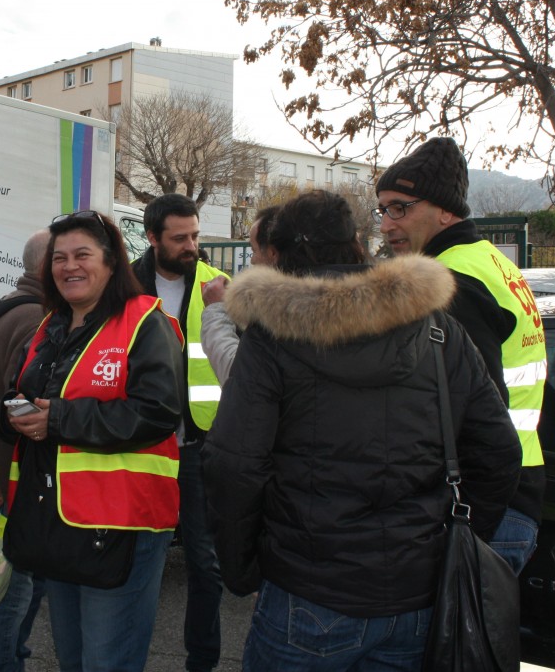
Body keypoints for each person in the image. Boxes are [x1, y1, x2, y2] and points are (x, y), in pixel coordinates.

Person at [202, 190, 522, 671]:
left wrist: (241, 566)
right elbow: (498, 450)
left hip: (306, 589)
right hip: (419, 593)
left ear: (279, 254)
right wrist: (456, 541)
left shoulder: (271, 338)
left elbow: (234, 465)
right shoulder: (437, 329)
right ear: (355, 243)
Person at [1, 210, 183, 672]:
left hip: (120, 524)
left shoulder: (145, 322)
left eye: (82, 254)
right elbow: (41, 398)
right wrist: (16, 412)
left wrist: (57, 418)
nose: (69, 266)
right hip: (58, 519)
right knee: (74, 657)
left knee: (107, 659)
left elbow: (158, 412)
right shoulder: (51, 327)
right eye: (59, 258)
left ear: (110, 262)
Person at [375, 137, 548, 574]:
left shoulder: (452, 279)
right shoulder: (487, 259)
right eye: (383, 209)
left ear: (445, 211)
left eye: (401, 208)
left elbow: (472, 410)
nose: (386, 224)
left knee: (456, 642)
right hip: (514, 486)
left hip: (482, 503)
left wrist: (472, 518)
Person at [129, 193, 228, 672]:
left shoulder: (219, 286)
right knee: (131, 559)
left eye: (195, 236)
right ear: (152, 238)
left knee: (204, 564)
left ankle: (202, 662)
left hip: (196, 448)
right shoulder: (123, 286)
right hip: (138, 447)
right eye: (180, 238)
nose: (192, 246)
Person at [0, 229, 49, 672]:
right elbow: (15, 404)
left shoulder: (6, 306)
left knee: (14, 591)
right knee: (13, 596)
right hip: (13, 480)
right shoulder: (37, 318)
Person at [199, 206, 279, 384]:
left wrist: (217, 310)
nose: (252, 260)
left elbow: (243, 379)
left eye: (254, 250)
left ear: (273, 252)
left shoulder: (280, 311)